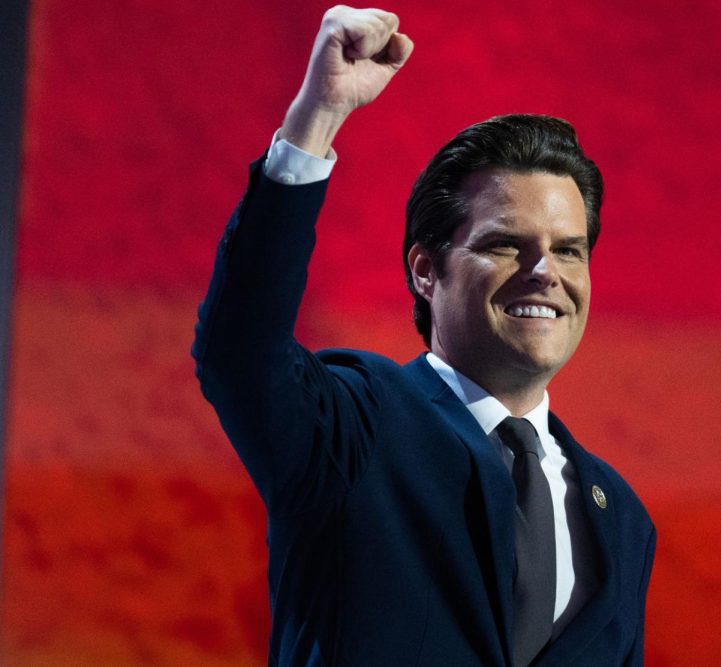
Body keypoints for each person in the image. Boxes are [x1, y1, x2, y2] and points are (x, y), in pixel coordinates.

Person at [193, 6, 655, 666]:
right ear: (425, 269)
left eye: (569, 250)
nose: (544, 272)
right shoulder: (351, 426)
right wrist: (316, 117)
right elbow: (239, 353)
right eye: (506, 244)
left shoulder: (623, 520)